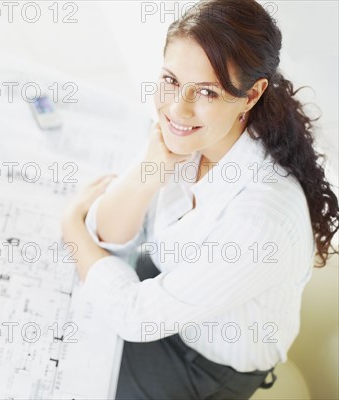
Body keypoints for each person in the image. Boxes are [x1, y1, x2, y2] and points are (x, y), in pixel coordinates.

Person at [60, 0, 339, 398]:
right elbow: (108, 232)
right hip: (162, 292)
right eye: (171, 80)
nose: (177, 107)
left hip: (201, 368)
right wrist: (150, 168)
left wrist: (72, 227)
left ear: (251, 95)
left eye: (207, 91)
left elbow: (136, 315)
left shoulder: (260, 219)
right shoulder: (191, 135)